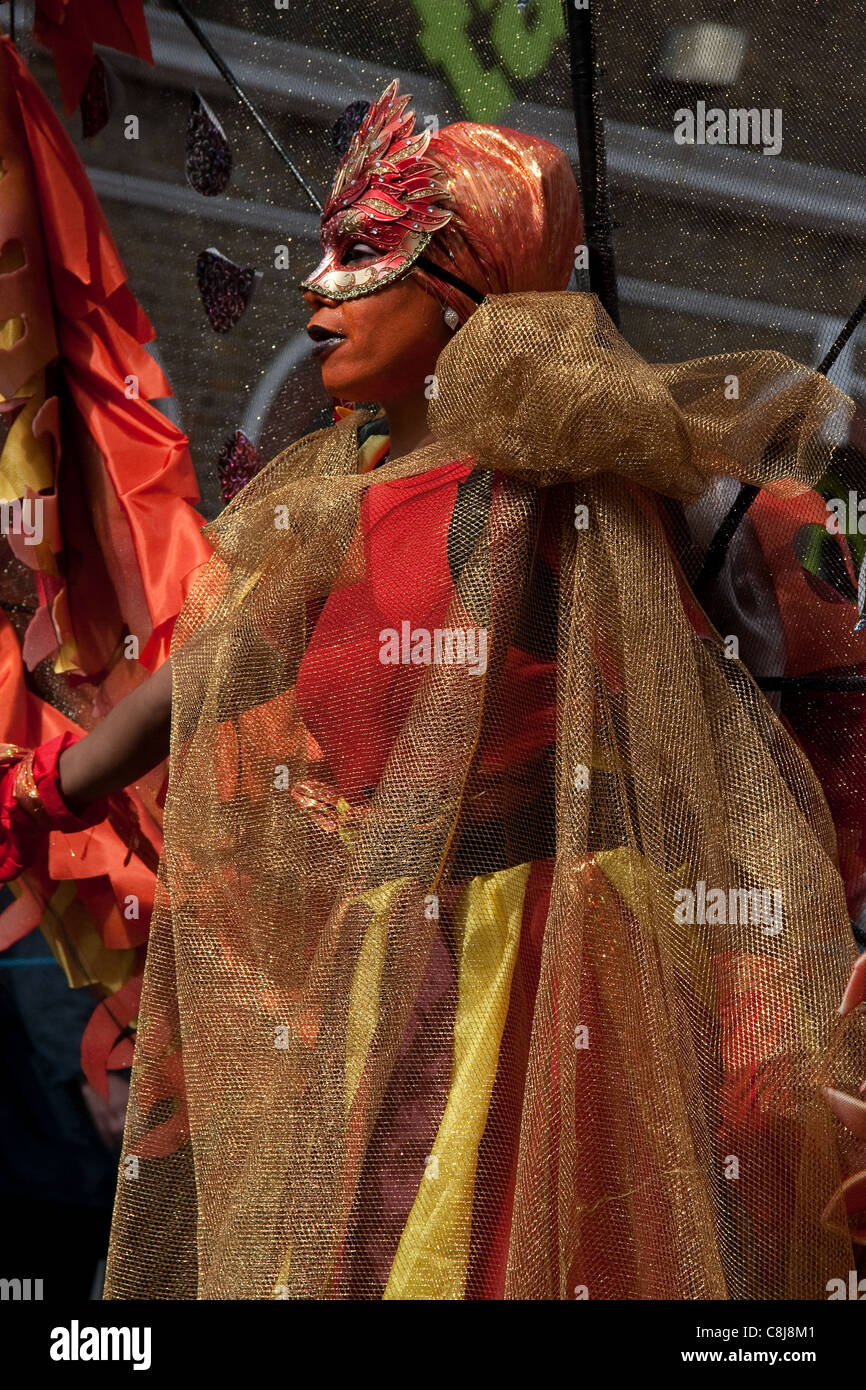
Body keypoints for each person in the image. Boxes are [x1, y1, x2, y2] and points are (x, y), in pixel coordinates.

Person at [1, 80, 863, 1300]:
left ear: (464, 284)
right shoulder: (323, 516)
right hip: (379, 966)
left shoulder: (563, 492)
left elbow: (730, 642)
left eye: (364, 255)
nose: (314, 291)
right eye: (320, 252)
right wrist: (43, 790)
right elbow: (208, 681)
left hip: (550, 961)